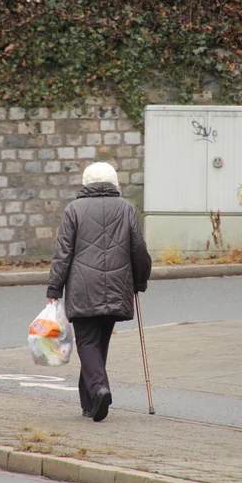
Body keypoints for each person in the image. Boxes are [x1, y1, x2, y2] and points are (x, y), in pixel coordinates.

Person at [46, 161, 151, 422]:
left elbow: (63, 254)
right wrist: (140, 281)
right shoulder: (126, 209)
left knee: (88, 343)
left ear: (86, 182)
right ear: (114, 182)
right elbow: (139, 250)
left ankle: (100, 389)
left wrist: (54, 288)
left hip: (83, 288)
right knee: (98, 343)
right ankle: (91, 401)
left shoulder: (74, 210)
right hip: (117, 286)